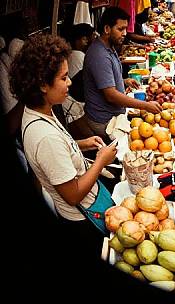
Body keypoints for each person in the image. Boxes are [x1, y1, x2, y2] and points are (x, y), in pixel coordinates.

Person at [9, 33, 118, 250]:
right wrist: (100, 162)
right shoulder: (44, 136)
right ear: (42, 84)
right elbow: (73, 195)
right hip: (84, 221)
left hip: (89, 205)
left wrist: (82, 143)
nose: (69, 83)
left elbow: (56, 156)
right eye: (63, 77)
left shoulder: (39, 111)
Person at [82, 7, 161, 141]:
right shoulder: (99, 55)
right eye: (120, 29)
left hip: (113, 114)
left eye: (125, 29)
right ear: (107, 29)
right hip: (105, 121)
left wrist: (123, 81)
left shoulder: (108, 47)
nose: (125, 33)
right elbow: (111, 96)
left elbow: (104, 80)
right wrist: (145, 105)